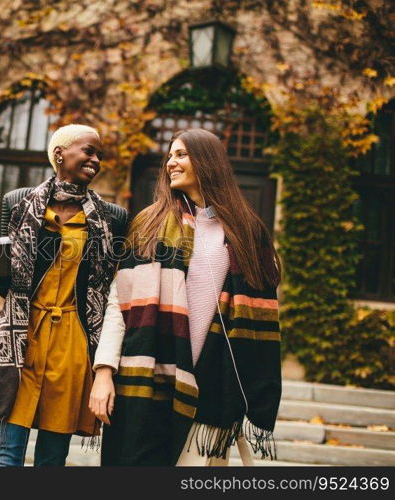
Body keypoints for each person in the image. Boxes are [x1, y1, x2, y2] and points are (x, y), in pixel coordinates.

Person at [89, 128, 282, 466]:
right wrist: (103, 372)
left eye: (180, 155)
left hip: (210, 386)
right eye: (169, 156)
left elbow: (260, 312)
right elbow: (118, 304)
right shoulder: (149, 224)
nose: (171, 163)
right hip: (148, 381)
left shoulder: (246, 231)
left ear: (207, 162)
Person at [0, 124, 128, 466]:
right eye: (88, 151)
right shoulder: (17, 203)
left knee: (51, 461)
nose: (95, 160)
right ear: (59, 154)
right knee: (5, 459)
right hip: (20, 338)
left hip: (72, 343)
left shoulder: (113, 219)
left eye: (99, 155)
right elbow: (8, 287)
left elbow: (110, 287)